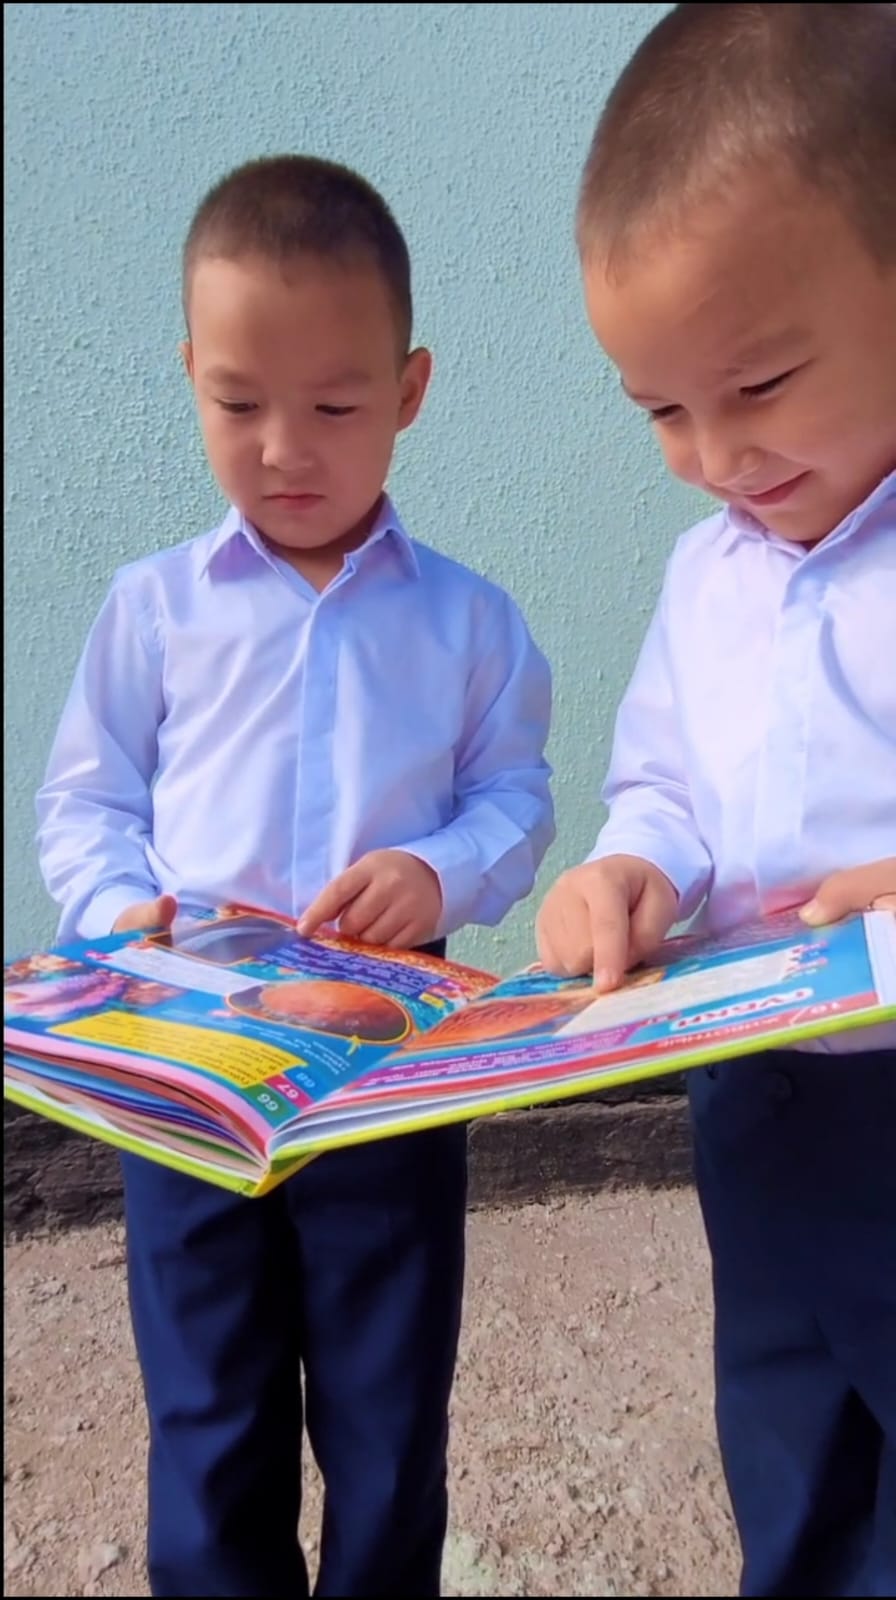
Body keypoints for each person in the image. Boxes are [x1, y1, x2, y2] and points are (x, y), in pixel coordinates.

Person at [36, 153, 555, 1598]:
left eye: (333, 406)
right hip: (187, 1061)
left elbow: (516, 799)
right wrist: (119, 911)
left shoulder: (470, 624)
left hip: (388, 1068)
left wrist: (437, 872)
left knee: (388, 1415)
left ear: (409, 391)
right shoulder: (153, 611)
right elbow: (86, 803)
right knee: (209, 1403)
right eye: (238, 403)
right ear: (189, 378)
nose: (283, 449)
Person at [535, 6, 896, 1594]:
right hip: (751, 1077)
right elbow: (668, 778)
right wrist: (632, 865)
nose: (711, 455)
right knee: (782, 1390)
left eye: (757, 383)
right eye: (660, 410)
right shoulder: (707, 575)